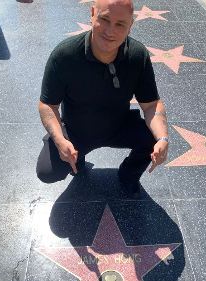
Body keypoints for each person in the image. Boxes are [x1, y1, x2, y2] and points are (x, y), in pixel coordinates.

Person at [36, 0, 168, 199]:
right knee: (47, 172)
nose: (110, 31)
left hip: (119, 126)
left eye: (120, 24)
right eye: (104, 19)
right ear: (92, 14)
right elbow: (48, 104)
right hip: (76, 131)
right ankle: (77, 161)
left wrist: (163, 138)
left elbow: (151, 104)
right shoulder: (64, 56)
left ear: (130, 26)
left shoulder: (137, 56)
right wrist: (60, 139)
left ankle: (128, 175)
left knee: (153, 138)